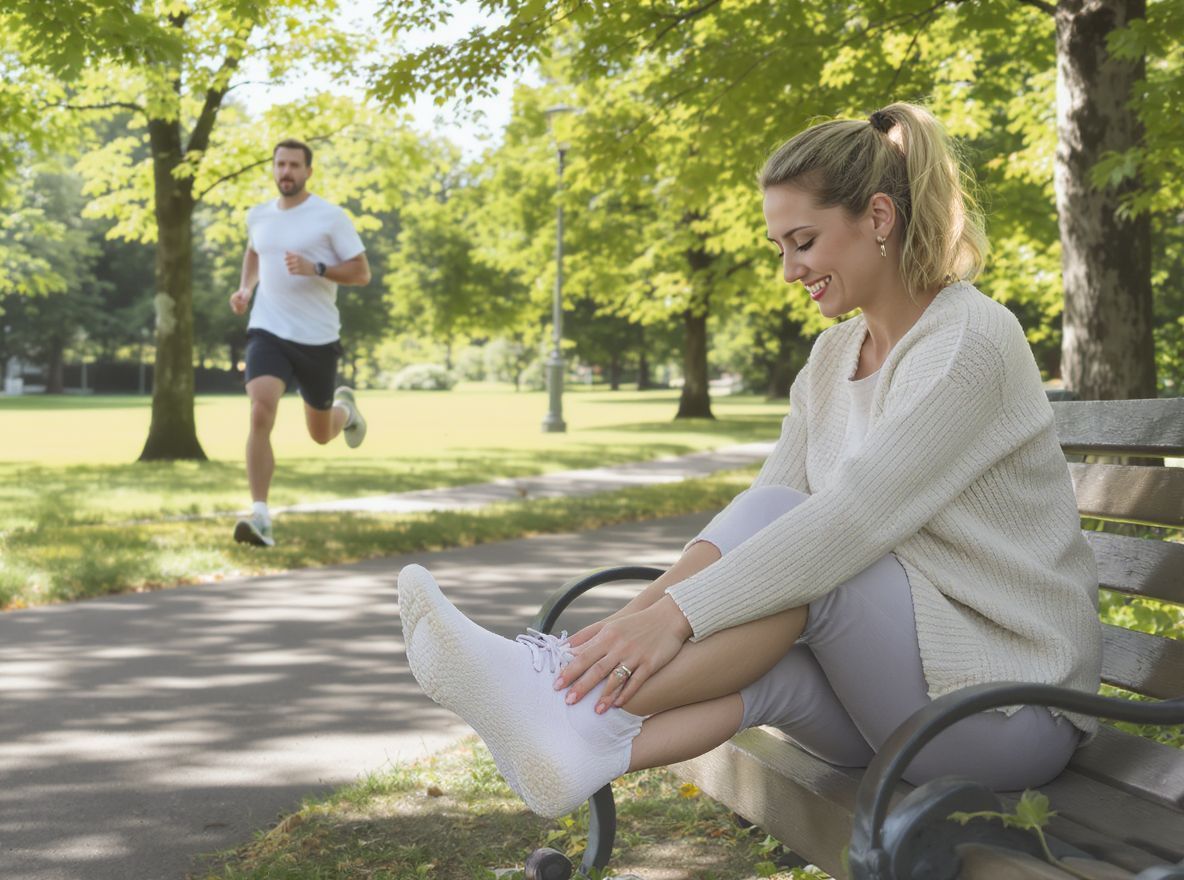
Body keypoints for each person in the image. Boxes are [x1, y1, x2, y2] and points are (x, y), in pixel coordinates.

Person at [396, 103, 1102, 819]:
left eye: (803, 241)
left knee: (812, 557)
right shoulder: (833, 358)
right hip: (903, 702)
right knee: (773, 610)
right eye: (779, 246)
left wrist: (670, 618)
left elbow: (850, 522)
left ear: (879, 219)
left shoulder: (968, 342)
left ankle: (550, 691)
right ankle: (581, 740)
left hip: (1006, 710)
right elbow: (759, 515)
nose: (789, 270)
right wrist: (629, 625)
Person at [229, 139, 372, 547]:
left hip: (317, 337)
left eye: (294, 165)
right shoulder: (258, 215)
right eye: (280, 165)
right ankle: (260, 516)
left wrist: (318, 268)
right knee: (260, 411)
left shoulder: (330, 218)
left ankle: (345, 411)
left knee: (321, 433)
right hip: (267, 329)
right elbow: (255, 251)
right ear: (272, 169)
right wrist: (244, 289)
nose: (285, 172)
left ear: (308, 171)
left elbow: (362, 273)